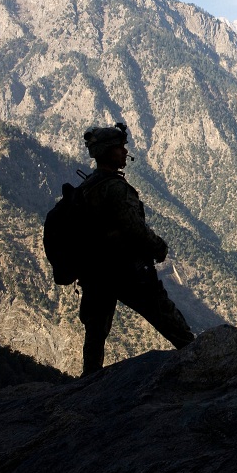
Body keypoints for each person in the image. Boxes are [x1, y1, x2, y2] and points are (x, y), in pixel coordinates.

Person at [76, 123, 194, 375]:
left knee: (95, 333)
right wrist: (159, 247)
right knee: (169, 321)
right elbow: (134, 228)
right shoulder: (115, 188)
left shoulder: (87, 187)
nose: (124, 152)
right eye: (120, 148)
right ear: (107, 152)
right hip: (127, 271)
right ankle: (201, 360)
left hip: (95, 273)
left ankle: (88, 381)